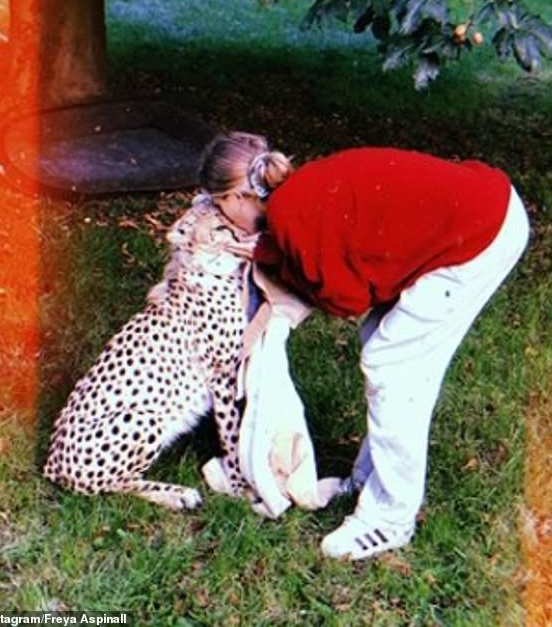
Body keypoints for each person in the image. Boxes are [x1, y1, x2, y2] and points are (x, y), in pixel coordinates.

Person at [198, 131, 530, 560]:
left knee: (392, 367)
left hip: (480, 237)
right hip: (485, 206)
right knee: (388, 347)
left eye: (222, 206)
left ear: (241, 195)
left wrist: (270, 256)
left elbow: (347, 300)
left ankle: (390, 519)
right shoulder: (298, 191)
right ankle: (369, 482)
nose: (225, 220)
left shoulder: (286, 218)